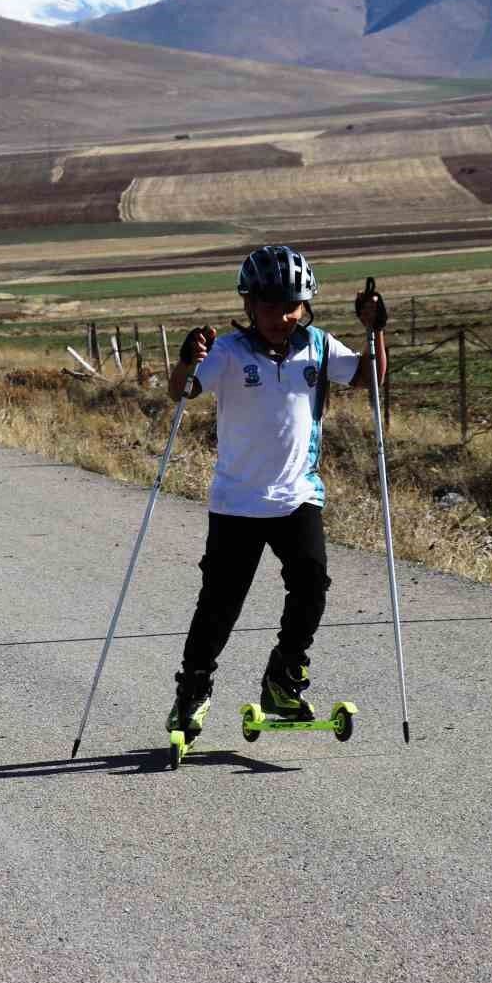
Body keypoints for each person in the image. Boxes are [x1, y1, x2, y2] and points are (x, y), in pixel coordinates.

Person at [163, 245, 387, 743]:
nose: (282, 316)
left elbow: (370, 377)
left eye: (293, 306)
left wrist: (375, 331)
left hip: (297, 495)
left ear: (305, 305)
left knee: (311, 587)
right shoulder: (226, 351)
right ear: (249, 305)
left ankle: (283, 679)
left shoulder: (319, 346)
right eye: (270, 306)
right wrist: (185, 361)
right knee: (220, 605)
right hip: (236, 503)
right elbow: (181, 391)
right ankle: (193, 690)